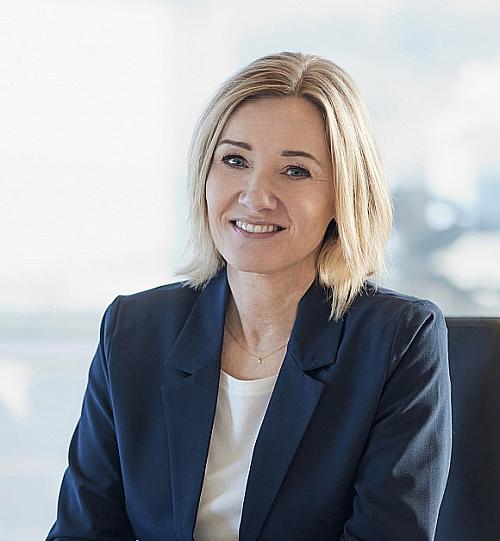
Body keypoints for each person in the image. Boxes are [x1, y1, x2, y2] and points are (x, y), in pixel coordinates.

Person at [46, 51, 452, 541]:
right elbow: (83, 530)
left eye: (295, 171)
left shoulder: (398, 340)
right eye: (235, 161)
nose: (256, 196)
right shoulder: (133, 330)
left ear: (342, 195)